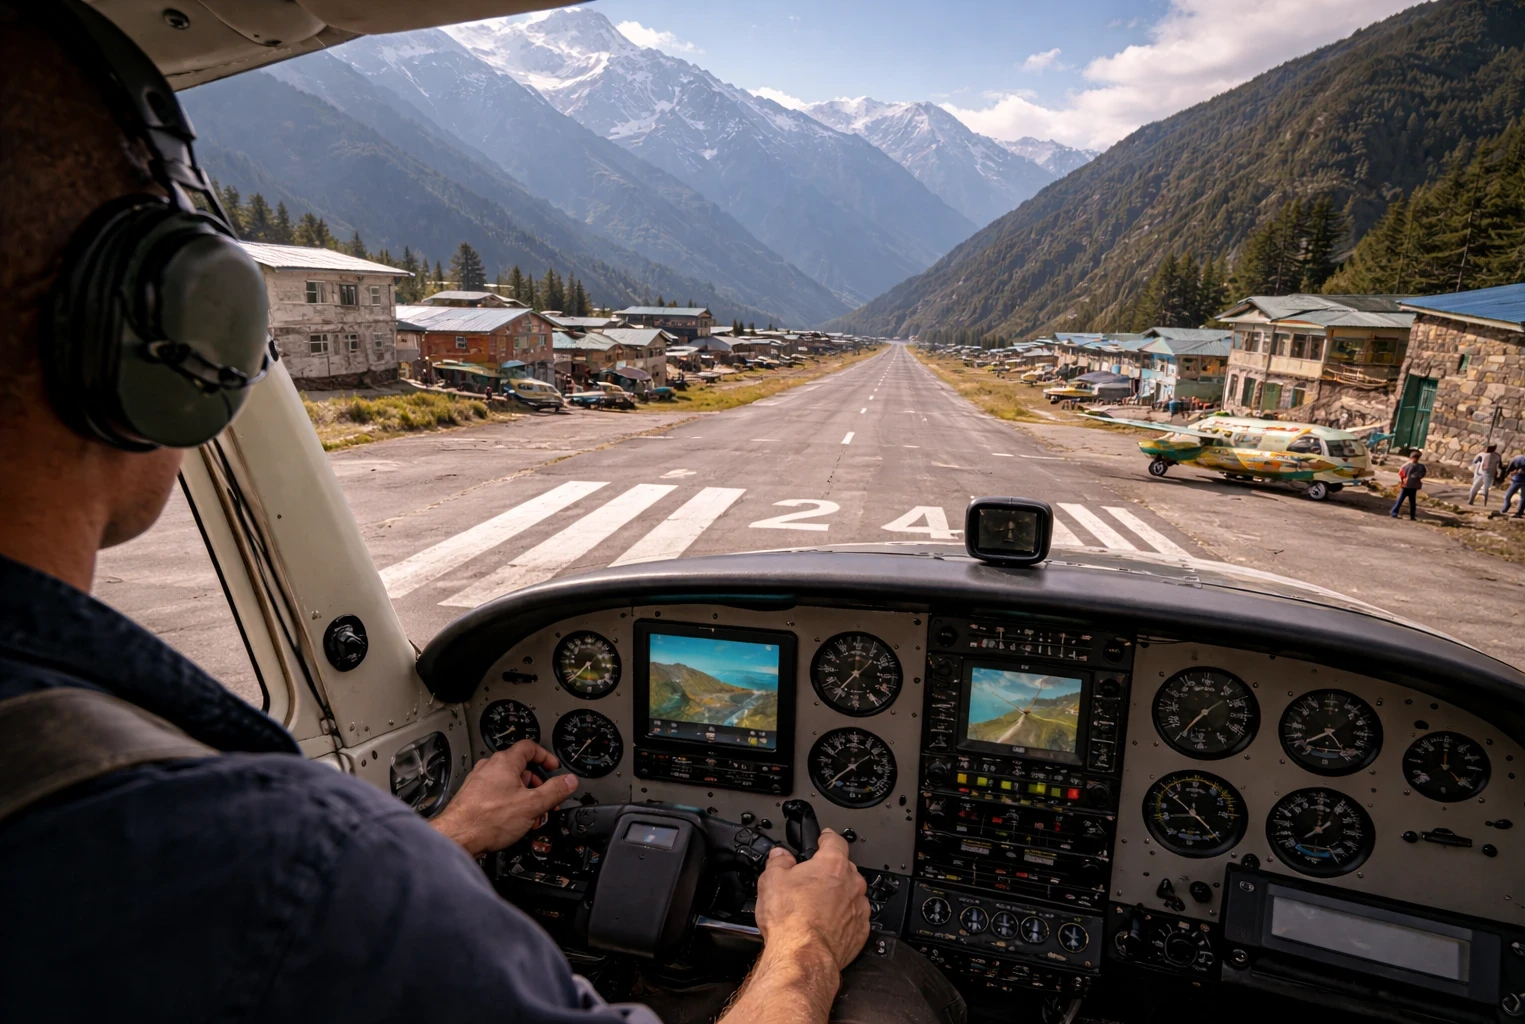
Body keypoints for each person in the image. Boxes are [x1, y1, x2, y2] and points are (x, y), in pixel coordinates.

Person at [0, 7, 960, 1024]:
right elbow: (293, 917)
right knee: (893, 988)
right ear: (164, 340)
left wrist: (438, 837)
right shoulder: (269, 860)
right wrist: (806, 943)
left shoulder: (261, 870)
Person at [1391, 449, 1427, 520]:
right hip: (1412, 486)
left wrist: (1403, 480)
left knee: (1401, 500)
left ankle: (1394, 513)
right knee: (1412, 502)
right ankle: (1412, 516)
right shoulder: (1421, 467)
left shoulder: (1407, 466)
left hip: (1406, 485)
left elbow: (1401, 473)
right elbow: (1422, 474)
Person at [1501, 446, 1525, 519]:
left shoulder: (1518, 458)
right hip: (1522, 480)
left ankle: (1510, 508)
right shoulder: (1519, 458)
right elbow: (1512, 466)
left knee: (1510, 495)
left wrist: (1508, 473)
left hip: (1519, 480)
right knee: (1521, 496)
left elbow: (1511, 466)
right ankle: (1518, 511)